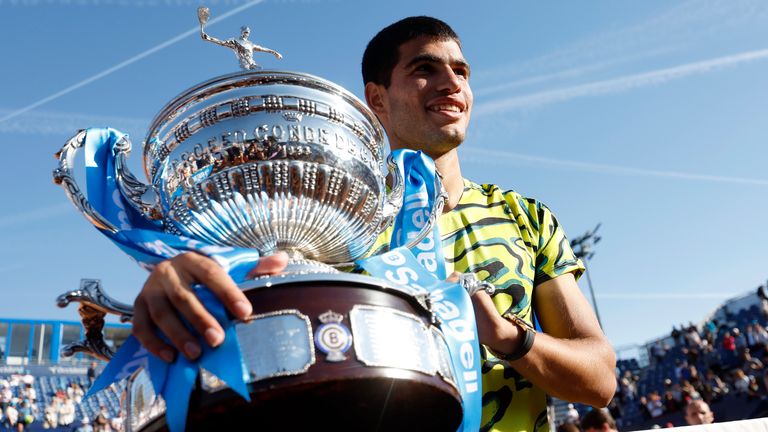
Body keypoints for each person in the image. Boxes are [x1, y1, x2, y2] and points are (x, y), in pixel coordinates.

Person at [133, 15, 616, 431]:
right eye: (424, 69)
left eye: (461, 71)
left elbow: (599, 381)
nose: (451, 83)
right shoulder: (324, 222)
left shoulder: (525, 217)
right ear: (377, 98)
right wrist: (188, 287)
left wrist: (507, 337)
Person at [200, 23, 282, 70]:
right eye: (245, 32)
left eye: (248, 33)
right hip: (244, 65)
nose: (247, 34)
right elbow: (222, 42)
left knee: (260, 73)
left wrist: (275, 52)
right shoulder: (234, 41)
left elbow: (263, 49)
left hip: (252, 64)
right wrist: (209, 38)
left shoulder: (250, 44)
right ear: (242, 32)